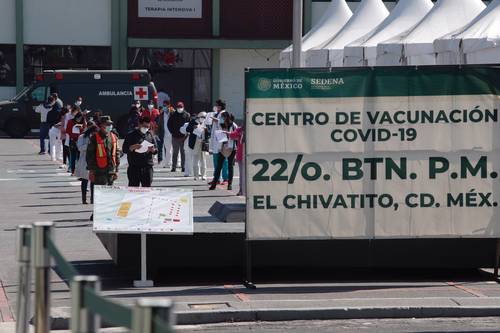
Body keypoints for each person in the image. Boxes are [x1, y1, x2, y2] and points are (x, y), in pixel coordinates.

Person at [122, 116, 158, 187]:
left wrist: (153, 150)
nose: (146, 128)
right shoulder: (131, 135)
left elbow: (156, 149)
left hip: (147, 167)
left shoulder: (150, 135)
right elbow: (124, 150)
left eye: (148, 127)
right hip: (134, 167)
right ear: (139, 125)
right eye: (144, 126)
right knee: (133, 190)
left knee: (147, 189)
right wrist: (132, 147)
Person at [86, 116, 120, 187]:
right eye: (107, 124)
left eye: (110, 124)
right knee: (99, 194)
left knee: (109, 194)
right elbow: (90, 155)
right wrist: (91, 171)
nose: (109, 126)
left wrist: (116, 170)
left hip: (111, 170)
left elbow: (117, 154)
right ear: (101, 125)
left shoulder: (114, 137)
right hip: (99, 171)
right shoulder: (94, 138)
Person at [209, 112, 238, 191]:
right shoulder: (220, 124)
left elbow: (237, 136)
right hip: (222, 148)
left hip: (231, 148)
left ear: (227, 118)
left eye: (223, 117)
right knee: (218, 167)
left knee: (230, 166)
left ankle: (230, 184)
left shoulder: (233, 125)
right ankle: (214, 184)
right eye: (221, 117)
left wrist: (229, 135)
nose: (221, 119)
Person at [207, 99, 229, 184]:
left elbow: (226, 124)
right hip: (216, 139)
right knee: (216, 160)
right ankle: (216, 178)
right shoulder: (216, 113)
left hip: (221, 139)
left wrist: (217, 120)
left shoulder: (224, 113)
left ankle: (226, 178)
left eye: (217, 105)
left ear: (221, 106)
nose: (216, 107)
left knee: (223, 159)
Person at [75, 122, 97, 204]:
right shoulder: (82, 137)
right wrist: (89, 145)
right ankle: (84, 199)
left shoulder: (97, 138)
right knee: (84, 180)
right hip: (84, 160)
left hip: (94, 161)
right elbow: (80, 148)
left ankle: (93, 198)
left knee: (93, 181)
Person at [167, 101, 190, 172]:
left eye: (181, 107)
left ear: (183, 107)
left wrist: (187, 134)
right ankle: (174, 167)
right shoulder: (173, 114)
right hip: (175, 137)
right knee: (175, 152)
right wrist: (172, 132)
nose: (179, 108)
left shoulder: (187, 115)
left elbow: (189, 125)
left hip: (184, 137)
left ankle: (183, 167)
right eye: (178, 107)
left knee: (183, 153)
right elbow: (169, 124)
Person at [66, 110, 86, 175]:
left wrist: (81, 128)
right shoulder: (70, 121)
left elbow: (85, 131)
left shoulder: (83, 122)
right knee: (73, 157)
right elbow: (68, 131)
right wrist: (74, 136)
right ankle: (73, 171)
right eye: (78, 118)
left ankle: (79, 171)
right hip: (73, 141)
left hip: (81, 141)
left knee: (80, 157)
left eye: (80, 118)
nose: (79, 120)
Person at [227, 125, 245, 196]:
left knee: (242, 174)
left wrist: (228, 133)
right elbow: (232, 135)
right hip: (245, 154)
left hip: (242, 155)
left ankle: (241, 190)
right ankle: (242, 190)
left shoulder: (240, 129)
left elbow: (232, 135)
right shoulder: (241, 129)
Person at [157, 99, 175, 169]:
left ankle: (177, 162)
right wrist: (158, 134)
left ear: (168, 106)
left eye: (165, 105)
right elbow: (159, 125)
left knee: (175, 149)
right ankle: (167, 163)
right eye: (163, 105)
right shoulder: (161, 115)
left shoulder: (173, 113)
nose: (164, 107)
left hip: (173, 134)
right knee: (168, 150)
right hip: (165, 134)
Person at [192, 112, 208, 180]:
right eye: (201, 117)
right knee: (195, 159)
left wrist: (206, 129)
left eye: (204, 117)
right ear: (198, 117)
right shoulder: (194, 122)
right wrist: (194, 128)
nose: (203, 118)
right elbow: (188, 129)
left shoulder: (206, 123)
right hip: (196, 143)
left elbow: (209, 132)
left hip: (203, 143)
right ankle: (195, 175)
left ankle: (203, 175)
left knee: (203, 160)